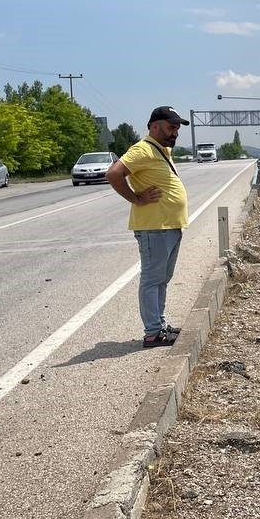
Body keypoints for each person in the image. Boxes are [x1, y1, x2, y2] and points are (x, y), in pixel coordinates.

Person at [106, 106, 190, 348]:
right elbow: (114, 173)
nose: (175, 132)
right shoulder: (143, 149)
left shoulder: (160, 150)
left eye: (177, 128)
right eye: (171, 127)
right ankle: (152, 333)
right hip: (154, 227)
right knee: (152, 280)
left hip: (168, 226)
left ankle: (160, 325)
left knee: (162, 279)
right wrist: (136, 198)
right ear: (155, 126)